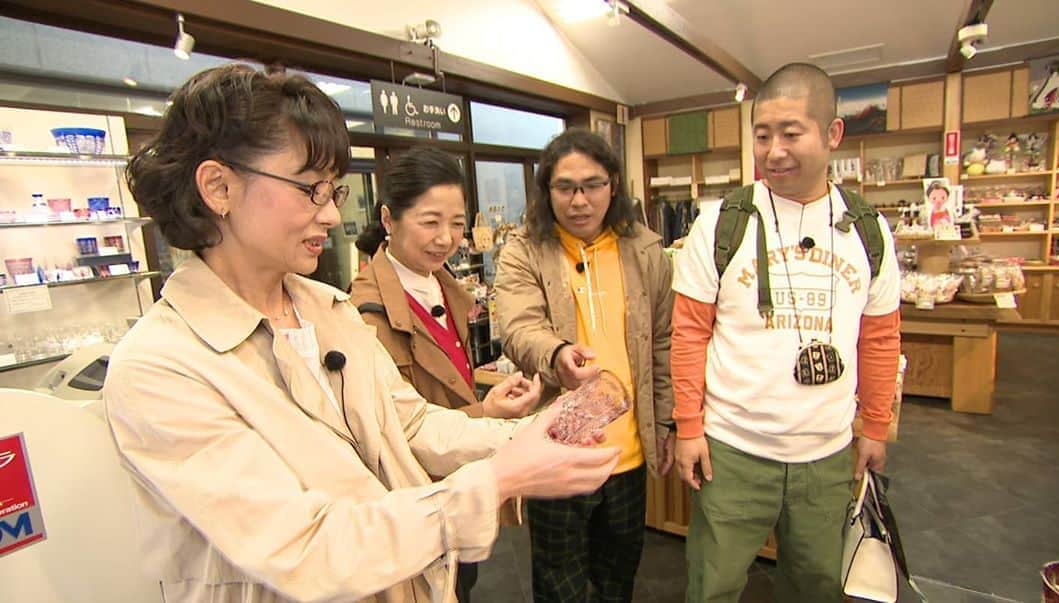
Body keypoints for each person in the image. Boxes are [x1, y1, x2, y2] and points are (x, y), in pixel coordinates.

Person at [103, 63, 620, 603]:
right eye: (309, 189)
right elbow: (308, 547)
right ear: (218, 186)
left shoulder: (328, 311)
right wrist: (498, 480)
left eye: (334, 190)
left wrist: (531, 435)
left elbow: (411, 425)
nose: (331, 214)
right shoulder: (161, 366)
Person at [670, 62, 901, 603]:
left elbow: (881, 337)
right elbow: (688, 333)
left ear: (832, 135)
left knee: (817, 587)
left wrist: (876, 425)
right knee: (713, 585)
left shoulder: (867, 230)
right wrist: (687, 426)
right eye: (762, 134)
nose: (774, 150)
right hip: (731, 452)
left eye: (791, 133)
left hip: (826, 455)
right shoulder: (720, 223)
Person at [349, 146, 540, 602]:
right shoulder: (364, 314)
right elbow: (394, 428)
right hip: (419, 500)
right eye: (430, 222)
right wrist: (484, 412)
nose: (447, 238)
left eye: (457, 223)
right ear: (389, 219)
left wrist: (486, 407)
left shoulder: (440, 280)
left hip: (462, 478)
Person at [495, 128, 675, 602]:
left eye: (592, 185)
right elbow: (518, 326)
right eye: (565, 187)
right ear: (546, 191)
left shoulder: (645, 251)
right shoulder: (523, 251)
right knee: (558, 584)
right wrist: (555, 355)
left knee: (618, 580)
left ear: (613, 184)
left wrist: (667, 421)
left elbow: (663, 342)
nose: (579, 200)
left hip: (627, 454)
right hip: (556, 450)